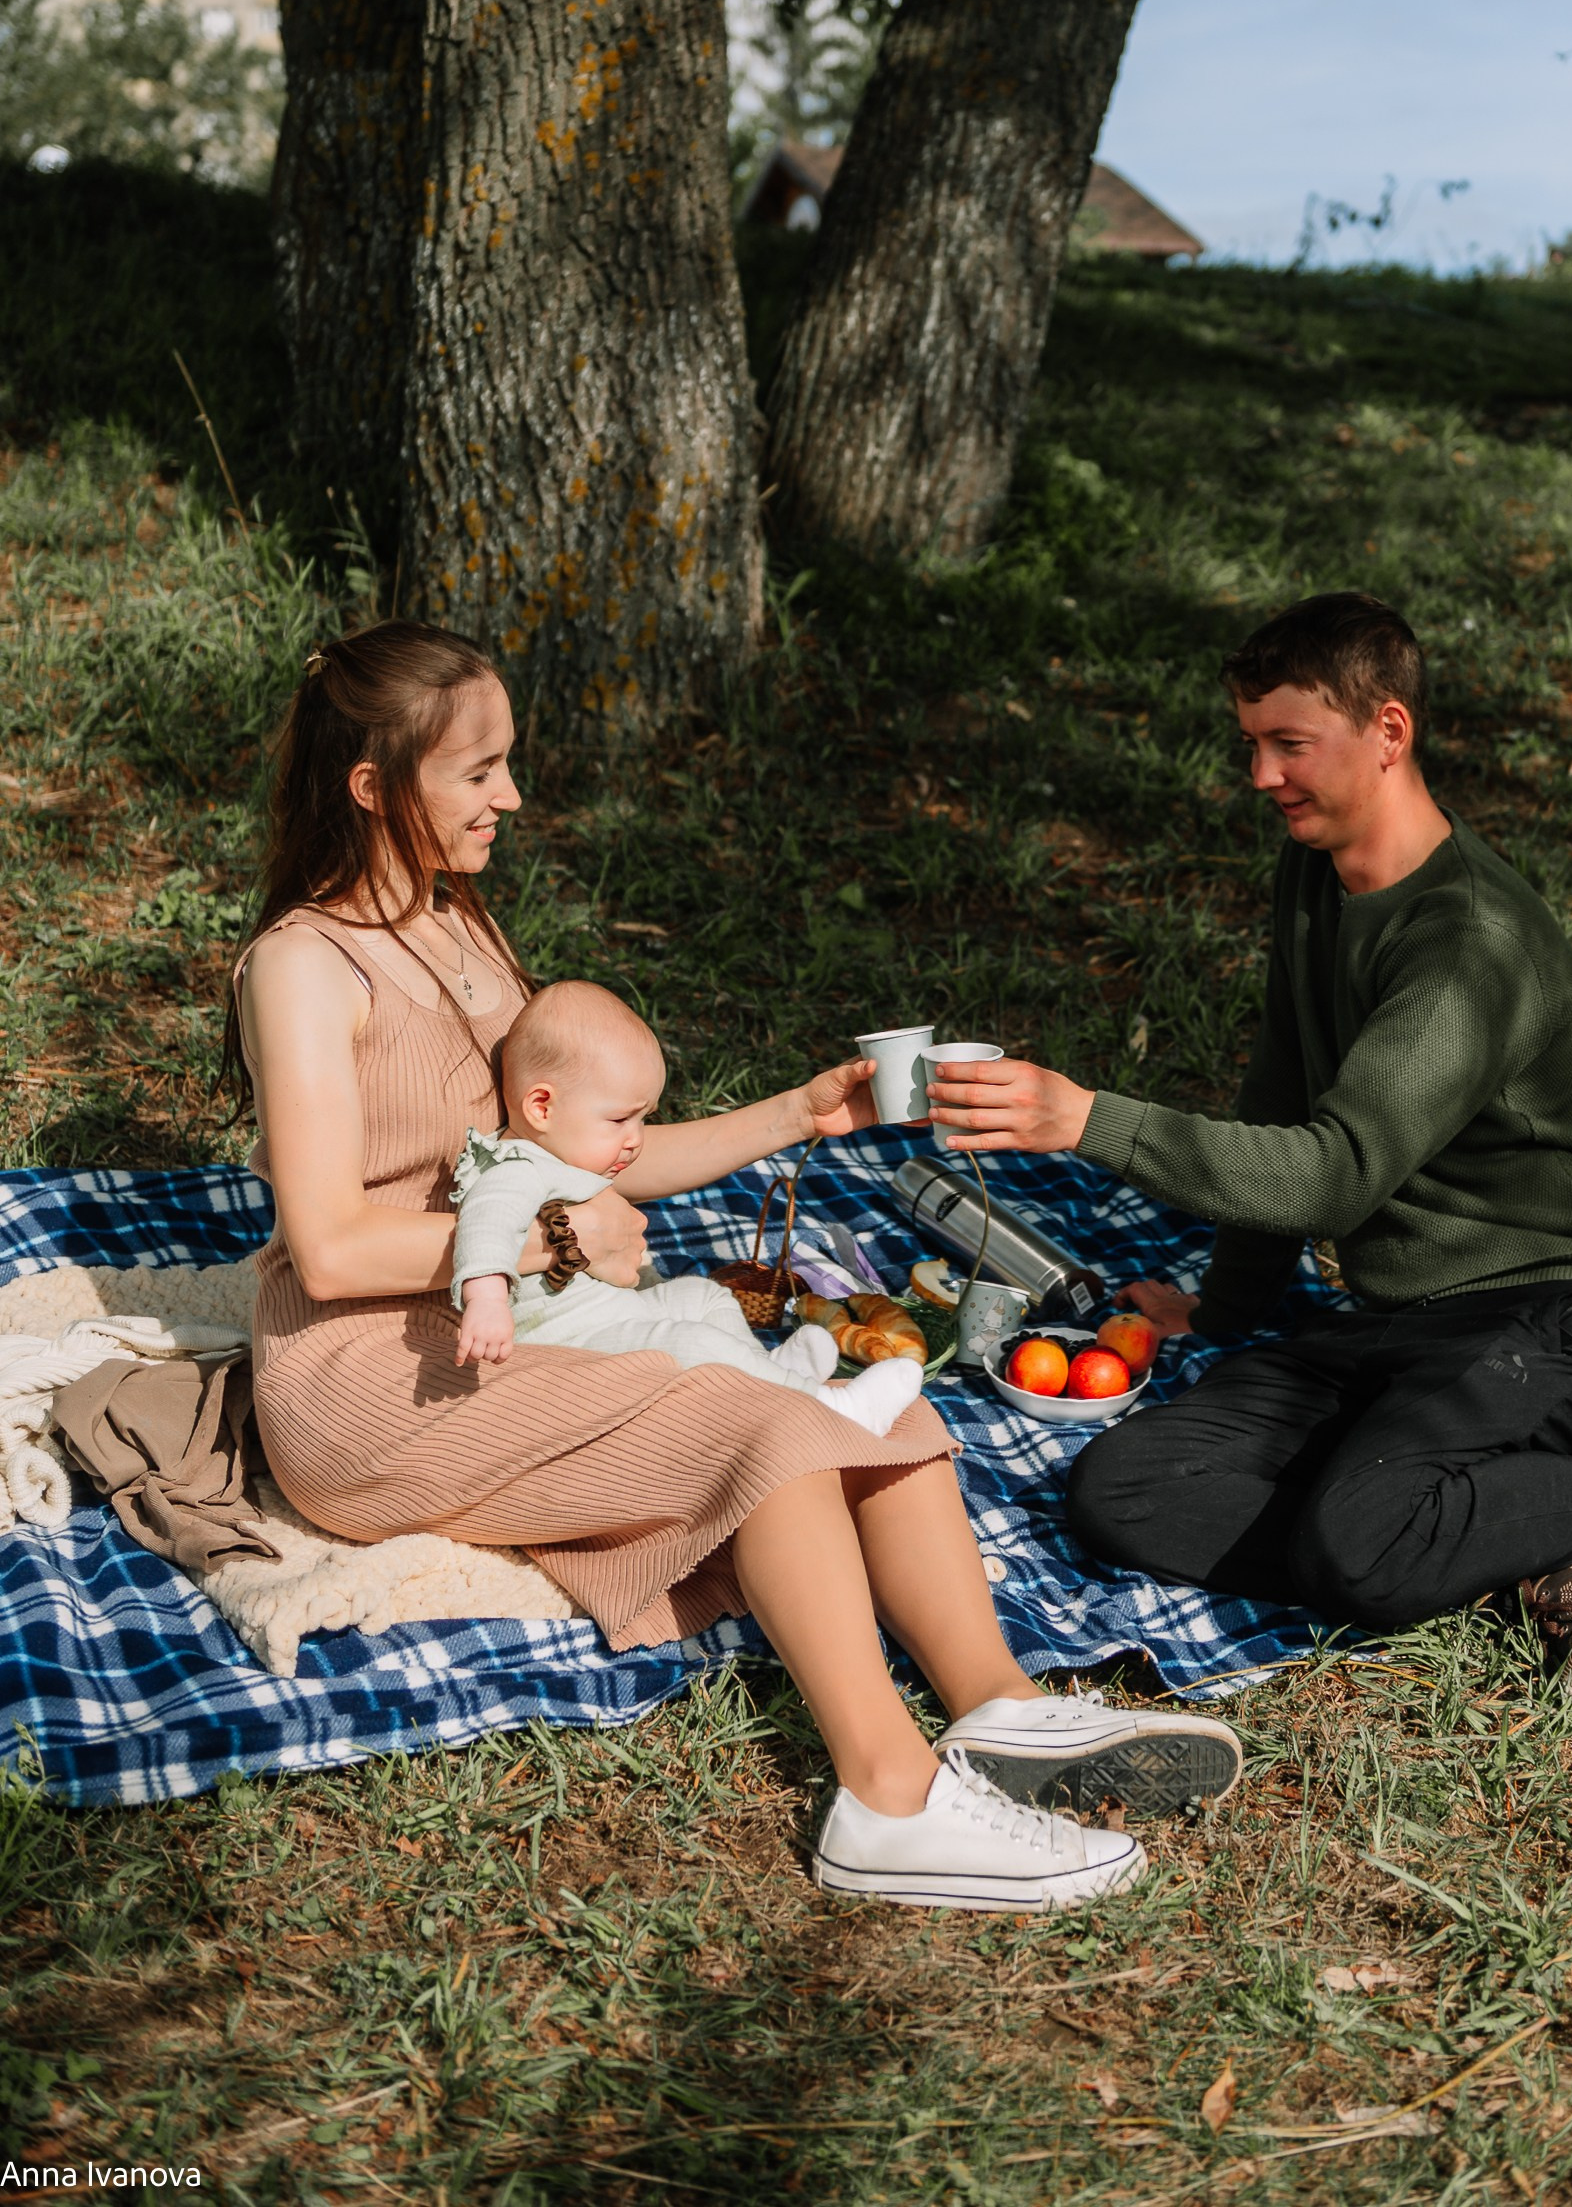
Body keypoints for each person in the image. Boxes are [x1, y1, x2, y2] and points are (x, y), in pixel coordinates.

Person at [227, 621, 1244, 1910]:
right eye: (479, 772)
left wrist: (795, 1115)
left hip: (513, 1319)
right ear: (375, 786)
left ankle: (998, 1706)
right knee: (755, 1422)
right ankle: (884, 1804)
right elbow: (326, 1248)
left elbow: (585, 1153)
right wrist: (555, 1239)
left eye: (507, 763)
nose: (512, 797)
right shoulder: (303, 967)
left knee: (871, 1403)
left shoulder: (457, 922)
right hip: (371, 1378)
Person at [926, 591, 1572, 1721]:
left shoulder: (1470, 941)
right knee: (1127, 1491)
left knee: (1359, 1543)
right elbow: (1279, 1097)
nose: (1261, 775)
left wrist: (1085, 1120)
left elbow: (1331, 1174)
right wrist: (1221, 1312)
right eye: (1251, 743)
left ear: (1389, 731)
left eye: (1289, 744)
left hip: (1562, 1316)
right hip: (1400, 1326)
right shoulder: (1315, 874)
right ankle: (1510, 1533)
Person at [449, 979, 925, 1437]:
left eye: (643, 1118)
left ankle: (762, 1371)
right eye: (620, 1119)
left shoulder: (563, 1149)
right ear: (541, 1107)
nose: (635, 1139)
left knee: (704, 1296)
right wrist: (487, 1300)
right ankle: (829, 1410)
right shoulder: (516, 1167)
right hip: (567, 1345)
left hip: (613, 1313)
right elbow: (485, 1224)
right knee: (692, 1344)